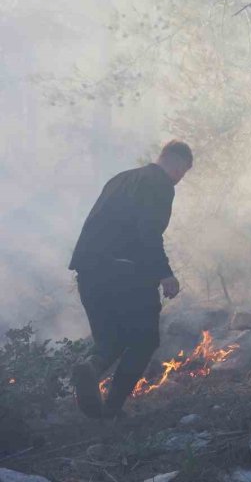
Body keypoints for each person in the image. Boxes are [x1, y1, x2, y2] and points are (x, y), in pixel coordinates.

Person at [68, 140, 192, 419]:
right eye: (182, 173)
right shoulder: (159, 183)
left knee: (109, 340)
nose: (180, 179)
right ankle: (112, 410)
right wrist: (165, 273)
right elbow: (148, 231)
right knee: (144, 340)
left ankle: (91, 368)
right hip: (126, 273)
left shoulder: (119, 179)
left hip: (89, 273)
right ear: (177, 163)